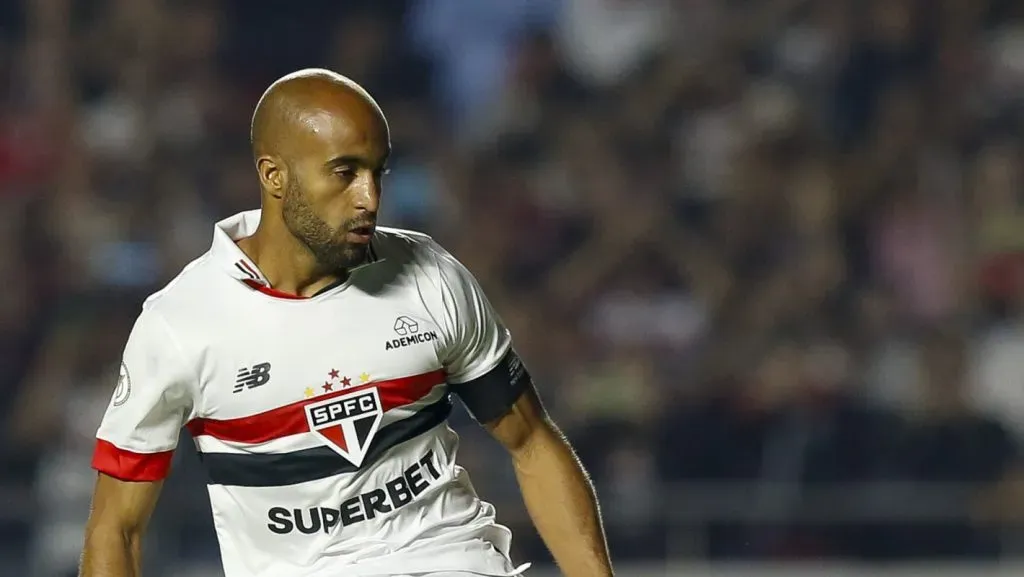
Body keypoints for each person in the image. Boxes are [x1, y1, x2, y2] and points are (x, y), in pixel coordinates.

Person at [79, 68, 614, 577]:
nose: (370, 199)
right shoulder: (181, 325)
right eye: (345, 172)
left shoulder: (430, 276)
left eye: (378, 172)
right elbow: (116, 530)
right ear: (274, 176)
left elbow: (531, 441)